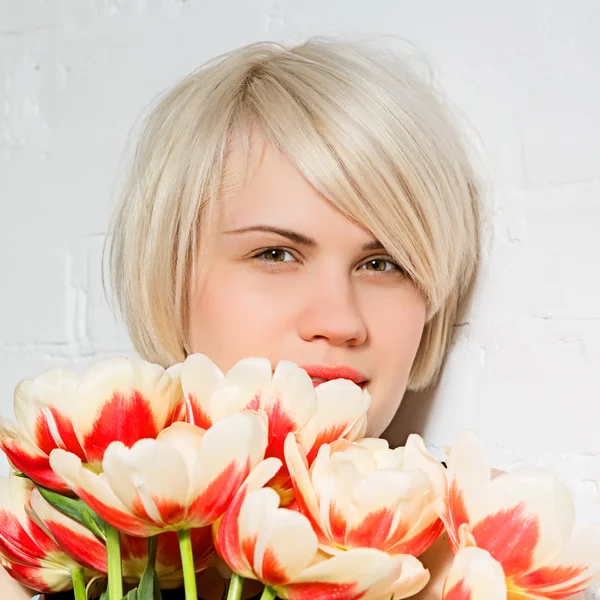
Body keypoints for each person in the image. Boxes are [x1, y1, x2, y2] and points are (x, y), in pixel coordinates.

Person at [3, 37, 483, 599]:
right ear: (172, 275)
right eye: (275, 254)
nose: (341, 319)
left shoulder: (479, 558)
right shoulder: (40, 549)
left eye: (383, 263)